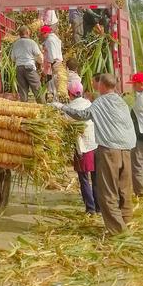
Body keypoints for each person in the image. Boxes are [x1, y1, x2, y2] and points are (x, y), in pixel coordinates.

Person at [65, 74, 136, 234]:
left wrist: (62, 107)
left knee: (107, 191)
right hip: (127, 149)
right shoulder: (121, 102)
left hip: (110, 150)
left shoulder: (101, 102)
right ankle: (127, 220)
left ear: (102, 85)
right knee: (124, 188)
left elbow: (81, 116)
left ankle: (118, 230)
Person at [56, 79, 99, 214]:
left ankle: (90, 208)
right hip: (96, 145)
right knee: (96, 177)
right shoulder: (89, 103)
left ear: (70, 93)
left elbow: (63, 124)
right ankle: (98, 207)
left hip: (83, 148)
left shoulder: (70, 108)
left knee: (84, 178)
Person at [10, 26, 44, 103]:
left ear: (19, 34)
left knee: (23, 90)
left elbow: (13, 58)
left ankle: (24, 108)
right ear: (28, 33)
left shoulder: (15, 44)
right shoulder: (32, 43)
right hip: (29, 68)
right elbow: (40, 57)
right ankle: (42, 106)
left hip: (19, 68)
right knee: (37, 88)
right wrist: (40, 64)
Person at [41, 24, 63, 97]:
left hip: (53, 62)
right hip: (59, 61)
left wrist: (49, 63)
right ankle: (54, 95)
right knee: (56, 80)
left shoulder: (49, 40)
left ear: (46, 33)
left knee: (52, 80)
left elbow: (51, 53)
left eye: (42, 34)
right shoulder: (56, 38)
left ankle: (53, 95)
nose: (42, 36)